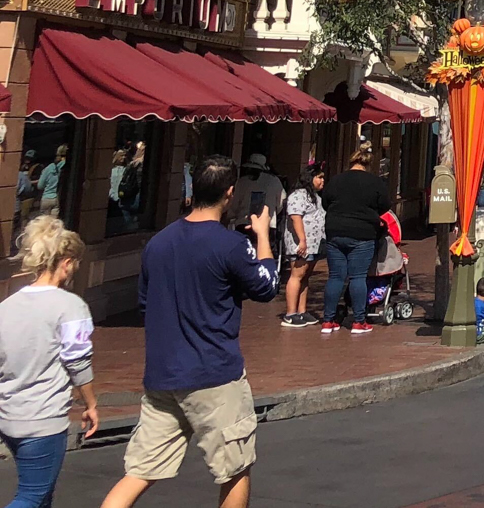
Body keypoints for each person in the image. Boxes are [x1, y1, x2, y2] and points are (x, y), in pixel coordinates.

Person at [96, 155, 277, 508]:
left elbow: (147, 306)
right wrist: (262, 235)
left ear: (194, 189)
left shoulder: (157, 244)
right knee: (235, 470)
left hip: (163, 376)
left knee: (140, 471)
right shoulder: (230, 245)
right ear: (229, 192)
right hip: (214, 375)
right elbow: (266, 287)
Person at [0, 215, 98, 508]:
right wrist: (91, 404)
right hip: (43, 419)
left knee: (42, 495)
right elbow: (77, 362)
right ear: (66, 262)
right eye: (75, 263)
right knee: (33, 495)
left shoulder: (7, 306)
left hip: (9, 415)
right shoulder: (71, 306)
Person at [319, 146, 391, 335]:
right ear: (368, 164)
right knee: (358, 277)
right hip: (362, 233)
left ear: (352, 161)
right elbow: (385, 205)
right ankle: (359, 321)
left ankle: (328, 320)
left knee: (335, 276)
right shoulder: (375, 183)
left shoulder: (336, 180)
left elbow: (325, 202)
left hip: (335, 231)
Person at [279, 163, 327, 328]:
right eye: (319, 177)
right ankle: (290, 313)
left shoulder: (315, 196)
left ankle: (301, 310)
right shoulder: (298, 195)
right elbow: (296, 217)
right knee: (297, 275)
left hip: (314, 244)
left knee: (305, 276)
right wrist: (302, 240)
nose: (322, 181)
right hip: (301, 244)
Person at [227, 154, 284, 245]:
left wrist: (230, 216)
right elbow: (281, 203)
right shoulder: (275, 181)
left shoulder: (242, 181)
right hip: (267, 224)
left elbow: (234, 204)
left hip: (244, 224)